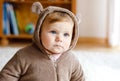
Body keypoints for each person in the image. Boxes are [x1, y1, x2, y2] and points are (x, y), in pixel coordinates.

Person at [0, 2, 85, 81]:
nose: (60, 39)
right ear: (39, 32)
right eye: (53, 32)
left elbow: (79, 79)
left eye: (66, 34)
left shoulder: (71, 59)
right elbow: (7, 75)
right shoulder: (24, 56)